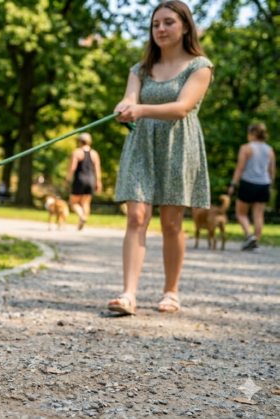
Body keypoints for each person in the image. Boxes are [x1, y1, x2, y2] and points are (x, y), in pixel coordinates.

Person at [108, 0, 213, 315]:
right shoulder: (140, 69)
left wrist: (139, 109)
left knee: (170, 222)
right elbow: (130, 96)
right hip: (141, 144)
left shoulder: (200, 66)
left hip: (178, 145)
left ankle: (171, 291)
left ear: (184, 27)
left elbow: (182, 108)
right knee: (136, 216)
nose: (161, 29)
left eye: (168, 22)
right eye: (156, 24)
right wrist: (124, 108)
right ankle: (128, 294)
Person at [228, 123, 275, 250]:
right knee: (258, 216)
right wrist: (270, 185)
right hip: (264, 184)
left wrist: (233, 184)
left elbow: (240, 168)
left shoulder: (246, 148)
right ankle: (255, 243)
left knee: (241, 214)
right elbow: (271, 171)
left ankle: (249, 236)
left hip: (248, 184)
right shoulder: (269, 149)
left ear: (252, 134)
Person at [66, 133, 102, 230]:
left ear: (80, 141)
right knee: (86, 203)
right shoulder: (94, 154)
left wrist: (67, 179)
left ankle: (82, 216)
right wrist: (98, 182)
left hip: (79, 179)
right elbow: (97, 170)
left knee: (74, 202)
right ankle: (83, 219)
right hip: (90, 179)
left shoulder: (77, 152)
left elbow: (72, 167)